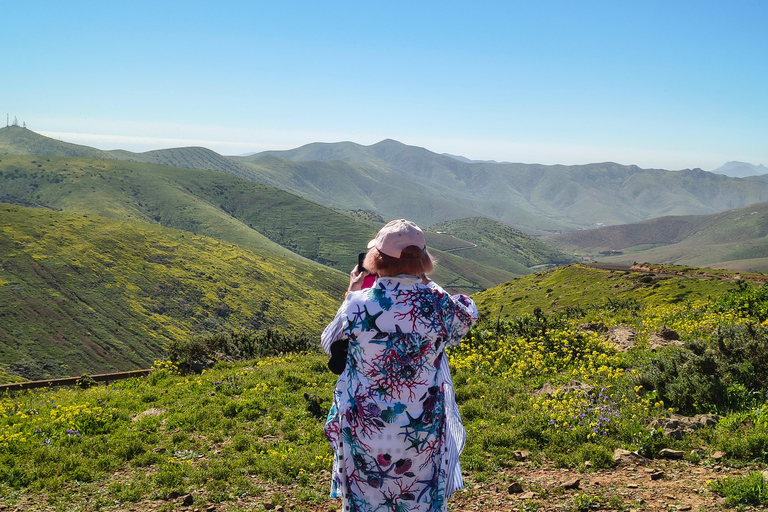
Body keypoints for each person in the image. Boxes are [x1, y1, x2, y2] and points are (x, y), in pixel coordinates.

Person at [322, 219, 478, 512]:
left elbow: (329, 341)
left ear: (376, 258)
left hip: (365, 423)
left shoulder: (357, 304)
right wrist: (428, 284)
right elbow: (467, 316)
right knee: (419, 492)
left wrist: (350, 291)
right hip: (422, 426)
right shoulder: (438, 304)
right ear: (423, 260)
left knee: (366, 496)